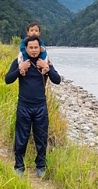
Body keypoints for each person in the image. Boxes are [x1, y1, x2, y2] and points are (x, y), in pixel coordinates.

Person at [4, 36, 61, 178]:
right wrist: (19, 69)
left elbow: (57, 80)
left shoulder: (44, 61)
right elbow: (7, 79)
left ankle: (41, 166)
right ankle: (19, 166)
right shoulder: (21, 61)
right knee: (21, 137)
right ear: (26, 48)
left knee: (41, 137)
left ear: (39, 47)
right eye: (31, 48)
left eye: (36, 47)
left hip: (40, 106)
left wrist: (47, 69)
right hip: (24, 105)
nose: (34, 50)